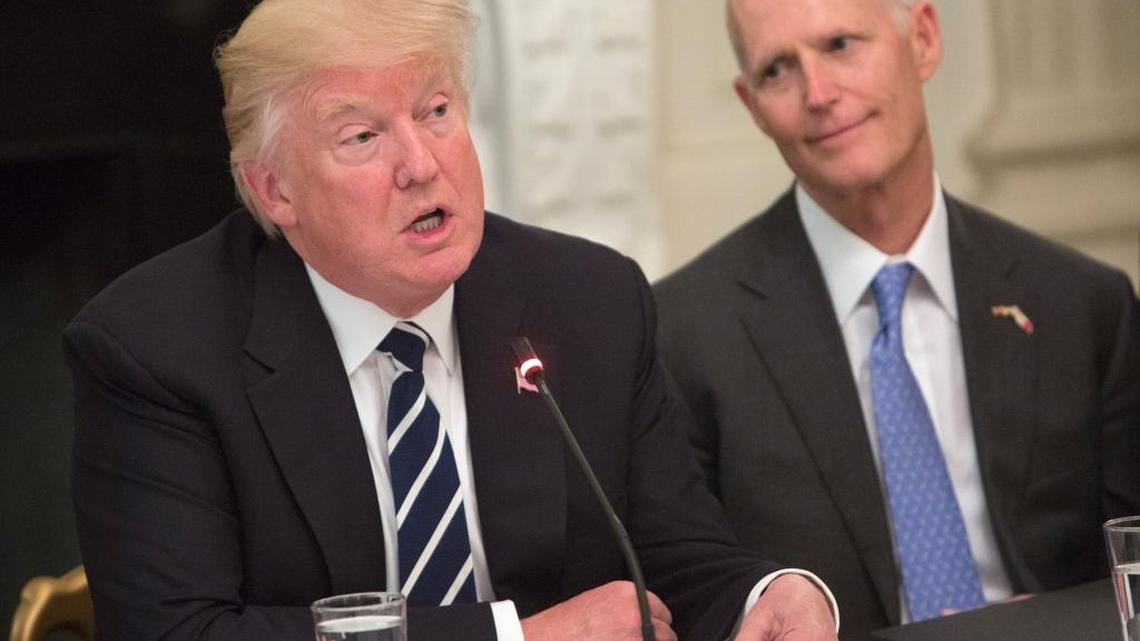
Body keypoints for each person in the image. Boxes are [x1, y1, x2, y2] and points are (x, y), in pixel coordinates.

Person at [64, 1, 841, 640]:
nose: (422, 163)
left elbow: (674, 562)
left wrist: (770, 593)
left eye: (435, 110)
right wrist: (513, 638)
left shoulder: (591, 300)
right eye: (362, 136)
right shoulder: (155, 350)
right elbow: (180, 632)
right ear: (275, 191)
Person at [654, 0, 1140, 639]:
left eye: (840, 44)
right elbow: (685, 593)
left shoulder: (1081, 304)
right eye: (778, 69)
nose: (819, 93)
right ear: (751, 106)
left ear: (925, 40)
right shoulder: (682, 333)